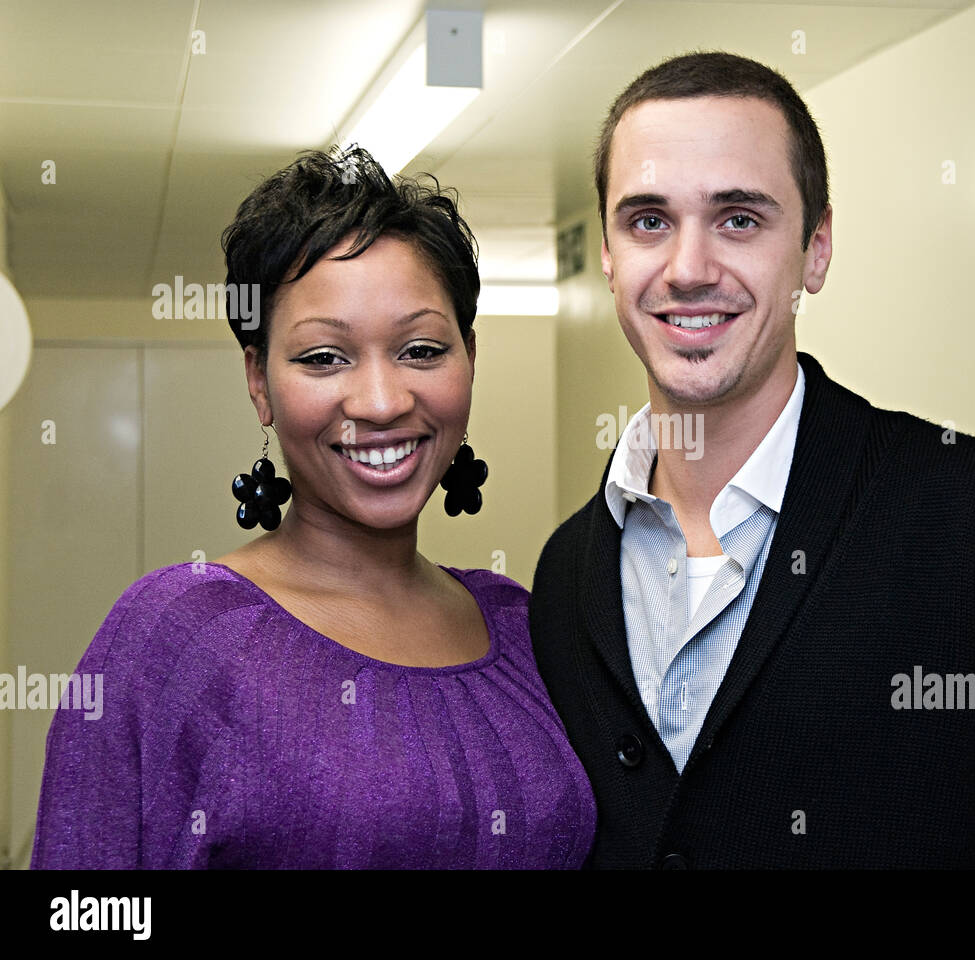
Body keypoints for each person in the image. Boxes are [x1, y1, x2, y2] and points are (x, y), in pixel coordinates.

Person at [528, 52, 975, 868]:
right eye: (649, 220)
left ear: (816, 249)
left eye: (740, 219)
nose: (688, 269)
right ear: (611, 255)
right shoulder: (563, 577)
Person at [31, 146, 595, 869]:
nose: (383, 402)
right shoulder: (172, 639)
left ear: (470, 360)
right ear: (258, 382)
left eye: (421, 349)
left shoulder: (524, 628)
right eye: (324, 358)